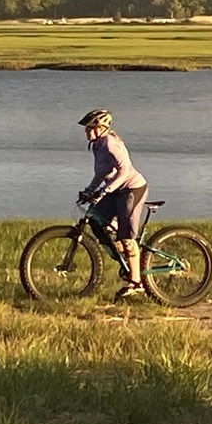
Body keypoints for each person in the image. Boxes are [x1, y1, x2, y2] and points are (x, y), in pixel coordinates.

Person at [76, 108, 149, 299]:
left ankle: (136, 282)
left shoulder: (110, 143)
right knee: (95, 220)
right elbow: (101, 173)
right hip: (115, 189)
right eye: (87, 129)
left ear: (103, 128)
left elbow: (124, 171)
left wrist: (104, 191)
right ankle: (128, 257)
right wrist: (89, 190)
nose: (88, 132)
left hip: (132, 188)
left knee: (126, 237)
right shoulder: (97, 146)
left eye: (92, 128)